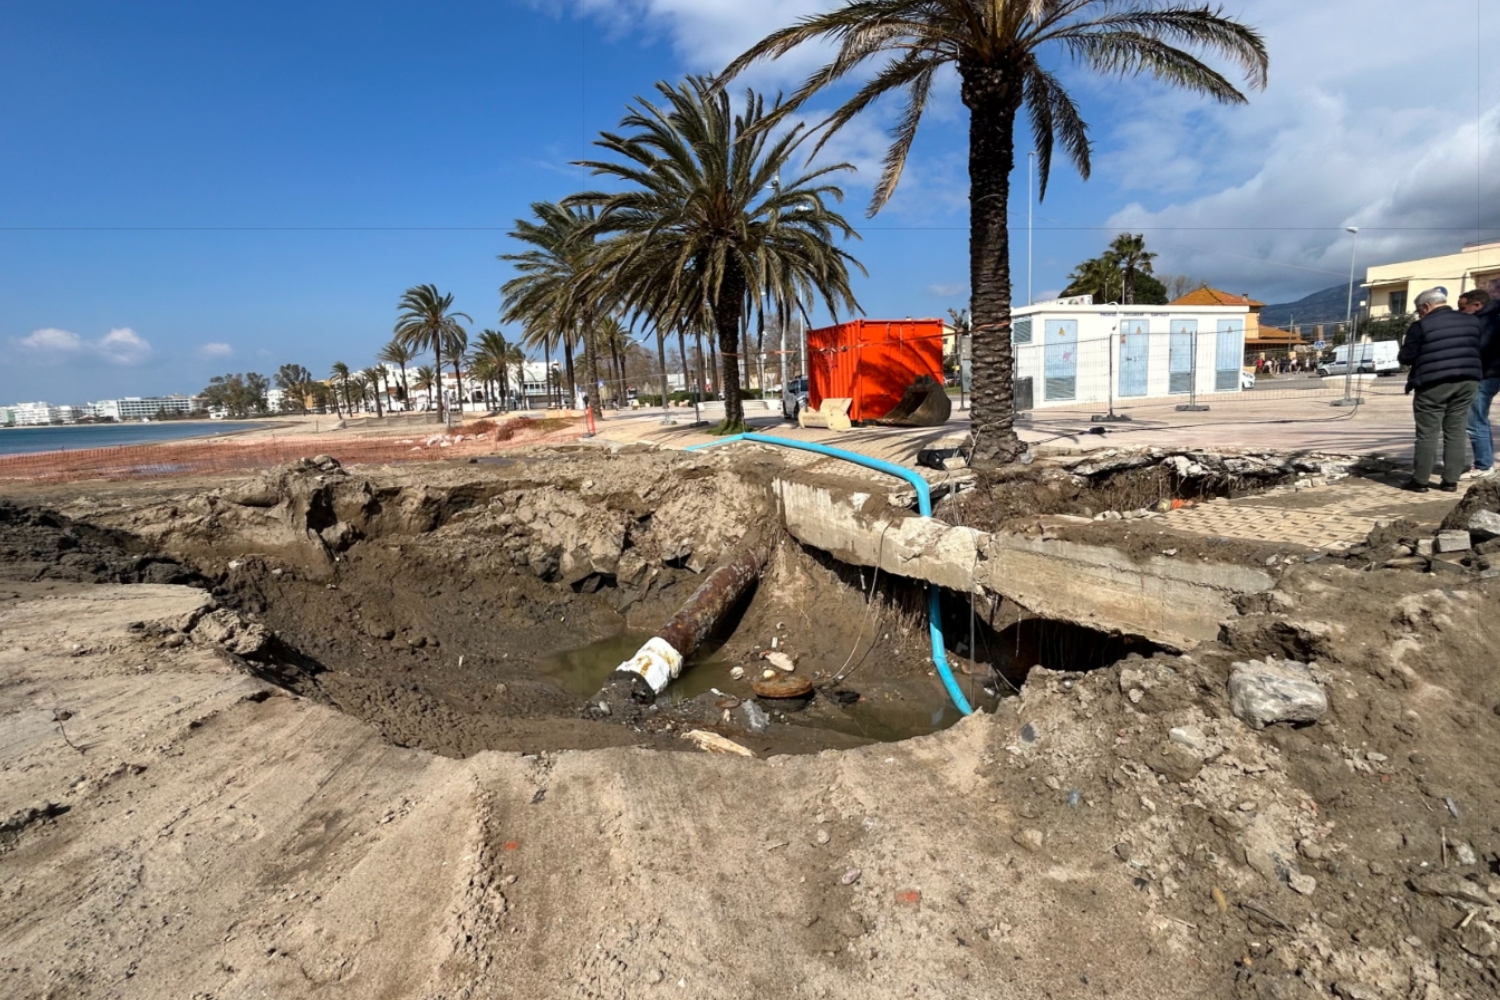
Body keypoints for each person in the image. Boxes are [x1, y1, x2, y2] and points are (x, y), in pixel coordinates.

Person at [1397, 287, 1485, 492]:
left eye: (1419, 310)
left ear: (1426, 306)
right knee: (1456, 430)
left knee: (1428, 433)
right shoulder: (1472, 321)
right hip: (1468, 380)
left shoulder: (1421, 325)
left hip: (1433, 382)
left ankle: (1420, 481)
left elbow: (1407, 357)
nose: (1419, 314)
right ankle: (1451, 481)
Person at [1458, 288, 1499, 479]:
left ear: (1477, 305)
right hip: (1491, 373)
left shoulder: (1483, 323)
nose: (1460, 312)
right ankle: (1485, 462)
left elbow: (1477, 351)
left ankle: (1483, 465)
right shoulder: (1492, 317)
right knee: (1480, 419)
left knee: (1475, 421)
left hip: (1485, 375)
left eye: (1462, 307)